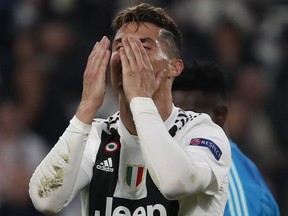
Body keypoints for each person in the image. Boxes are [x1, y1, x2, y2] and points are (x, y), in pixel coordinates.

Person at [29, 3, 231, 216]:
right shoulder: (97, 136)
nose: (128, 57)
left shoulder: (202, 133)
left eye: (143, 48)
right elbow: (45, 200)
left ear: (174, 67)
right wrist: (86, 108)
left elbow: (175, 183)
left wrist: (140, 99)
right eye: (120, 48)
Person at [172, 61, 280, 216]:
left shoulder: (238, 186)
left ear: (220, 115)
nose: (179, 125)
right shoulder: (185, 165)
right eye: (174, 117)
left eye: (191, 117)